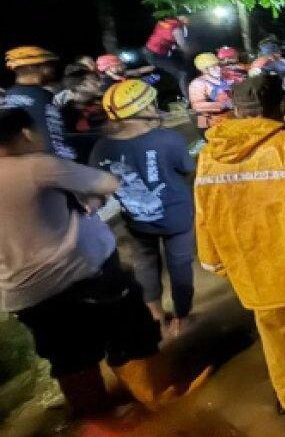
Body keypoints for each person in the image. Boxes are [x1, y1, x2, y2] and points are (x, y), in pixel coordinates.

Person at [0, 108, 194, 415]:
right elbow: (106, 182)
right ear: (25, 134)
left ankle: (96, 420)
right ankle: (159, 403)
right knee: (130, 336)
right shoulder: (35, 166)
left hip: (25, 296)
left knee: (69, 358)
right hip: (84, 277)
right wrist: (92, 199)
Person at [194, 74, 285, 434]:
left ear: (237, 109)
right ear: (279, 105)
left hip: (246, 266)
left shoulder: (209, 153)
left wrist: (214, 261)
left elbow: (204, 212)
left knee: (273, 332)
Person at [91, 80, 197, 338]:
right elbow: (187, 170)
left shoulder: (101, 147)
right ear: (144, 107)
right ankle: (181, 318)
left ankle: (156, 317)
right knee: (180, 266)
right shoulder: (168, 139)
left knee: (145, 266)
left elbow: (98, 186)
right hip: (178, 219)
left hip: (137, 221)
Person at [3, 46, 76, 160]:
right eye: (48, 65)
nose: (52, 69)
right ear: (32, 67)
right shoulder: (44, 97)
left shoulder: (6, 96)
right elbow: (54, 139)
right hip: (44, 165)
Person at [55, 65, 108, 161]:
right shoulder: (66, 113)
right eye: (95, 81)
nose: (101, 83)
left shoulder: (106, 101)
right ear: (80, 86)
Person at [141, 15, 192, 104]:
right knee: (182, 73)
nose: (189, 21)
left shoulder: (166, 23)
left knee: (168, 72)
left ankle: (158, 94)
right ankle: (189, 100)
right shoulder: (177, 29)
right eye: (188, 19)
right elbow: (183, 47)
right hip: (156, 55)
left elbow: (164, 40)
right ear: (183, 19)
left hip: (150, 52)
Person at [188, 53, 234, 130]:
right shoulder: (198, 84)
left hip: (232, 115)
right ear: (204, 70)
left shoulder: (224, 77)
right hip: (214, 122)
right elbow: (197, 106)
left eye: (218, 65)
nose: (219, 69)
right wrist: (224, 105)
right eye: (214, 67)